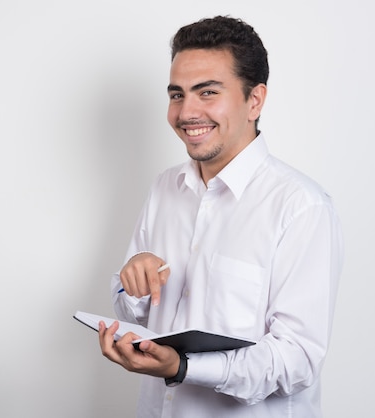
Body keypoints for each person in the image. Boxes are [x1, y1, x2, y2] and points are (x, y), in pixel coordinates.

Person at [98, 15, 343, 418]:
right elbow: (133, 312)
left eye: (207, 92)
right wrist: (135, 287)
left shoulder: (302, 207)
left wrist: (183, 368)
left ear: (255, 100)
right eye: (176, 95)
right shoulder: (165, 188)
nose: (186, 112)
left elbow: (296, 359)